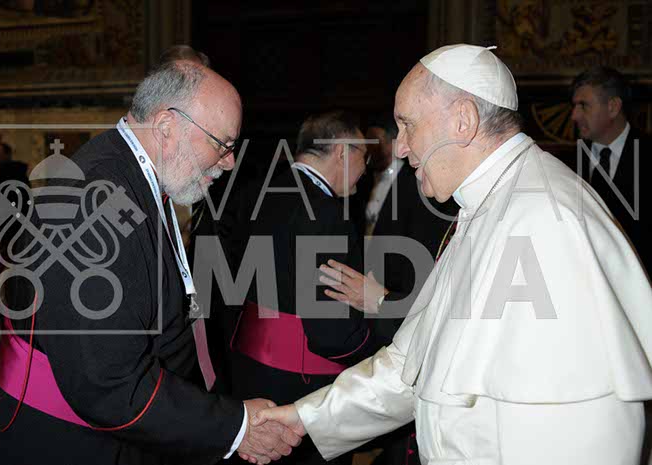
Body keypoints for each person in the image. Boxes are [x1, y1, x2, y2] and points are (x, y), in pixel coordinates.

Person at [251, 44, 652, 465]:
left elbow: (580, 435)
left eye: (408, 125)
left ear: (463, 120)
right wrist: (304, 417)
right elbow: (410, 366)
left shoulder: (544, 220)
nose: (399, 148)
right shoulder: (487, 202)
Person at [0, 61, 301, 465]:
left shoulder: (130, 172)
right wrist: (235, 427)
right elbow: (109, 384)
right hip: (55, 441)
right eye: (221, 143)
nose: (228, 162)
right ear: (166, 126)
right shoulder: (96, 205)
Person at [227, 111, 398, 465]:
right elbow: (330, 333)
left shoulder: (255, 192)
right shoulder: (325, 213)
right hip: (300, 386)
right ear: (343, 152)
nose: (365, 169)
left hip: (246, 373)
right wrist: (382, 349)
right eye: (364, 158)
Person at [570, 66, 651, 273]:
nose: (574, 116)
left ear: (613, 107)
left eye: (583, 105)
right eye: (574, 106)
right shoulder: (567, 162)